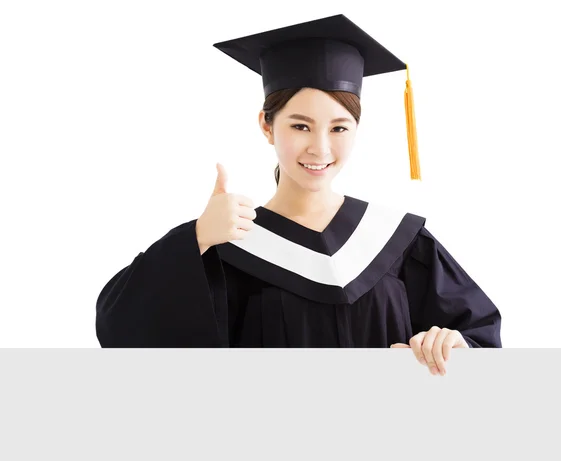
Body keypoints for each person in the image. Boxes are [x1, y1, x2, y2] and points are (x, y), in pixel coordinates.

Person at [95, 14, 502, 376]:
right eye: (300, 126)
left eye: (339, 128)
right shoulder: (230, 248)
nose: (320, 149)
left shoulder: (399, 241)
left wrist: (450, 347)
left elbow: (480, 338)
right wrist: (195, 239)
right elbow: (121, 333)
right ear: (267, 126)